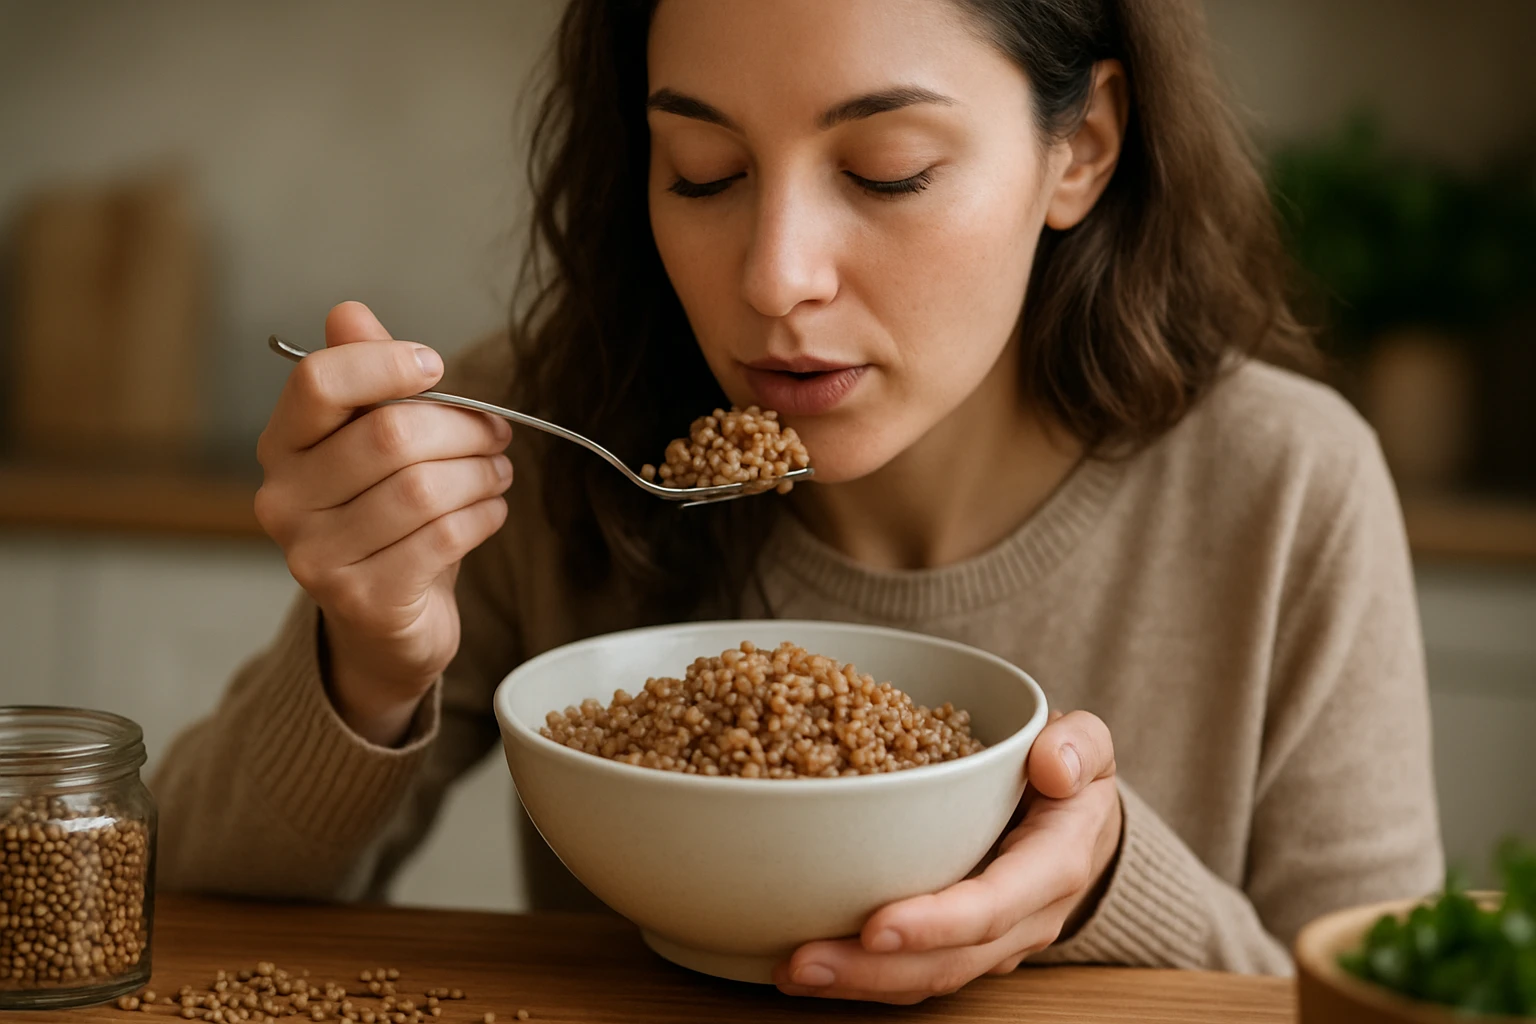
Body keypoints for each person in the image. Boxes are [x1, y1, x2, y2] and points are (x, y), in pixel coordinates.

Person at [151, 0, 1442, 1004]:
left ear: (1080, 151)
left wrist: (1103, 884)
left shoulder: (1286, 493)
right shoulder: (539, 436)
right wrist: (365, 662)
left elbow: (1386, 1003)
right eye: (703, 171)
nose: (775, 279)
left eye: (884, 170)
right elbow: (174, 908)